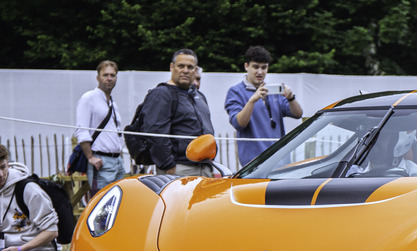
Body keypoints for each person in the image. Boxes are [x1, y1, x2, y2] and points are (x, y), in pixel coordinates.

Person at [225, 45, 303, 167]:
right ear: (246, 66)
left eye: (264, 67)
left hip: (280, 162)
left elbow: (298, 114)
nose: (260, 72)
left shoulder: (273, 91)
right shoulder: (235, 92)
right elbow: (239, 123)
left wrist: (291, 98)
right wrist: (252, 101)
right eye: (255, 67)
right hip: (253, 165)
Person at [0, 146, 58, 251]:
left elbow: (52, 232)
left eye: (3, 167)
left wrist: (20, 249)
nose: (0, 174)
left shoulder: (27, 189)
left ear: (8, 164)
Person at [142, 48, 215, 176]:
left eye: (190, 67)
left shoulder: (199, 96)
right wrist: (168, 165)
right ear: (172, 67)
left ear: (195, 70)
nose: (185, 70)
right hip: (179, 169)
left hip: (205, 167)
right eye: (181, 66)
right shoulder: (162, 94)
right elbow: (155, 133)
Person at [74, 60, 125, 193]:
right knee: (102, 205)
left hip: (117, 162)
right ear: (98, 77)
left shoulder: (112, 103)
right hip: (101, 161)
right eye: (105, 75)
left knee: (118, 204)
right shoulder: (88, 98)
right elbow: (81, 130)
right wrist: (90, 157)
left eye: (113, 75)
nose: (109, 78)